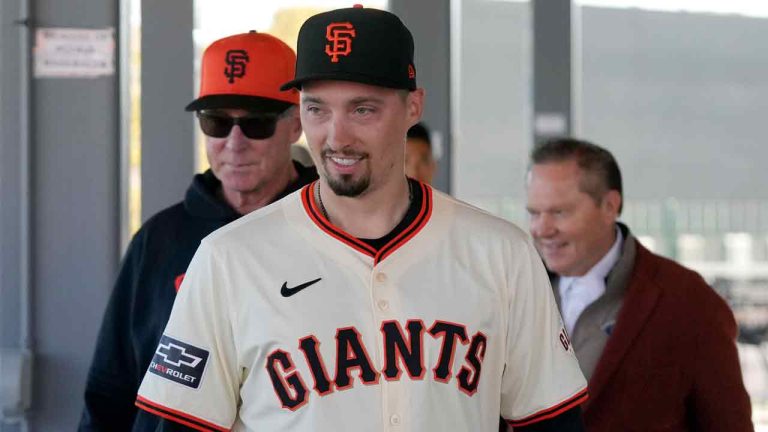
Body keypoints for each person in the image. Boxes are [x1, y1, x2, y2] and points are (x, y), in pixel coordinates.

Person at [135, 6, 587, 432]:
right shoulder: (227, 258)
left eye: (362, 109)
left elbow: (550, 420)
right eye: (317, 109)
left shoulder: (501, 253)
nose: (337, 136)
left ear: (413, 107)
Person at [78, 31, 317, 432]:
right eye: (217, 122)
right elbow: (109, 389)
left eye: (256, 124)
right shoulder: (158, 240)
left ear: (295, 125)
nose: (234, 143)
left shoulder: (332, 232)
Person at [525, 137, 753, 432]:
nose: (542, 229)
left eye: (560, 212)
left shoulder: (689, 304)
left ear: (610, 206)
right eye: (533, 213)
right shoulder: (513, 293)